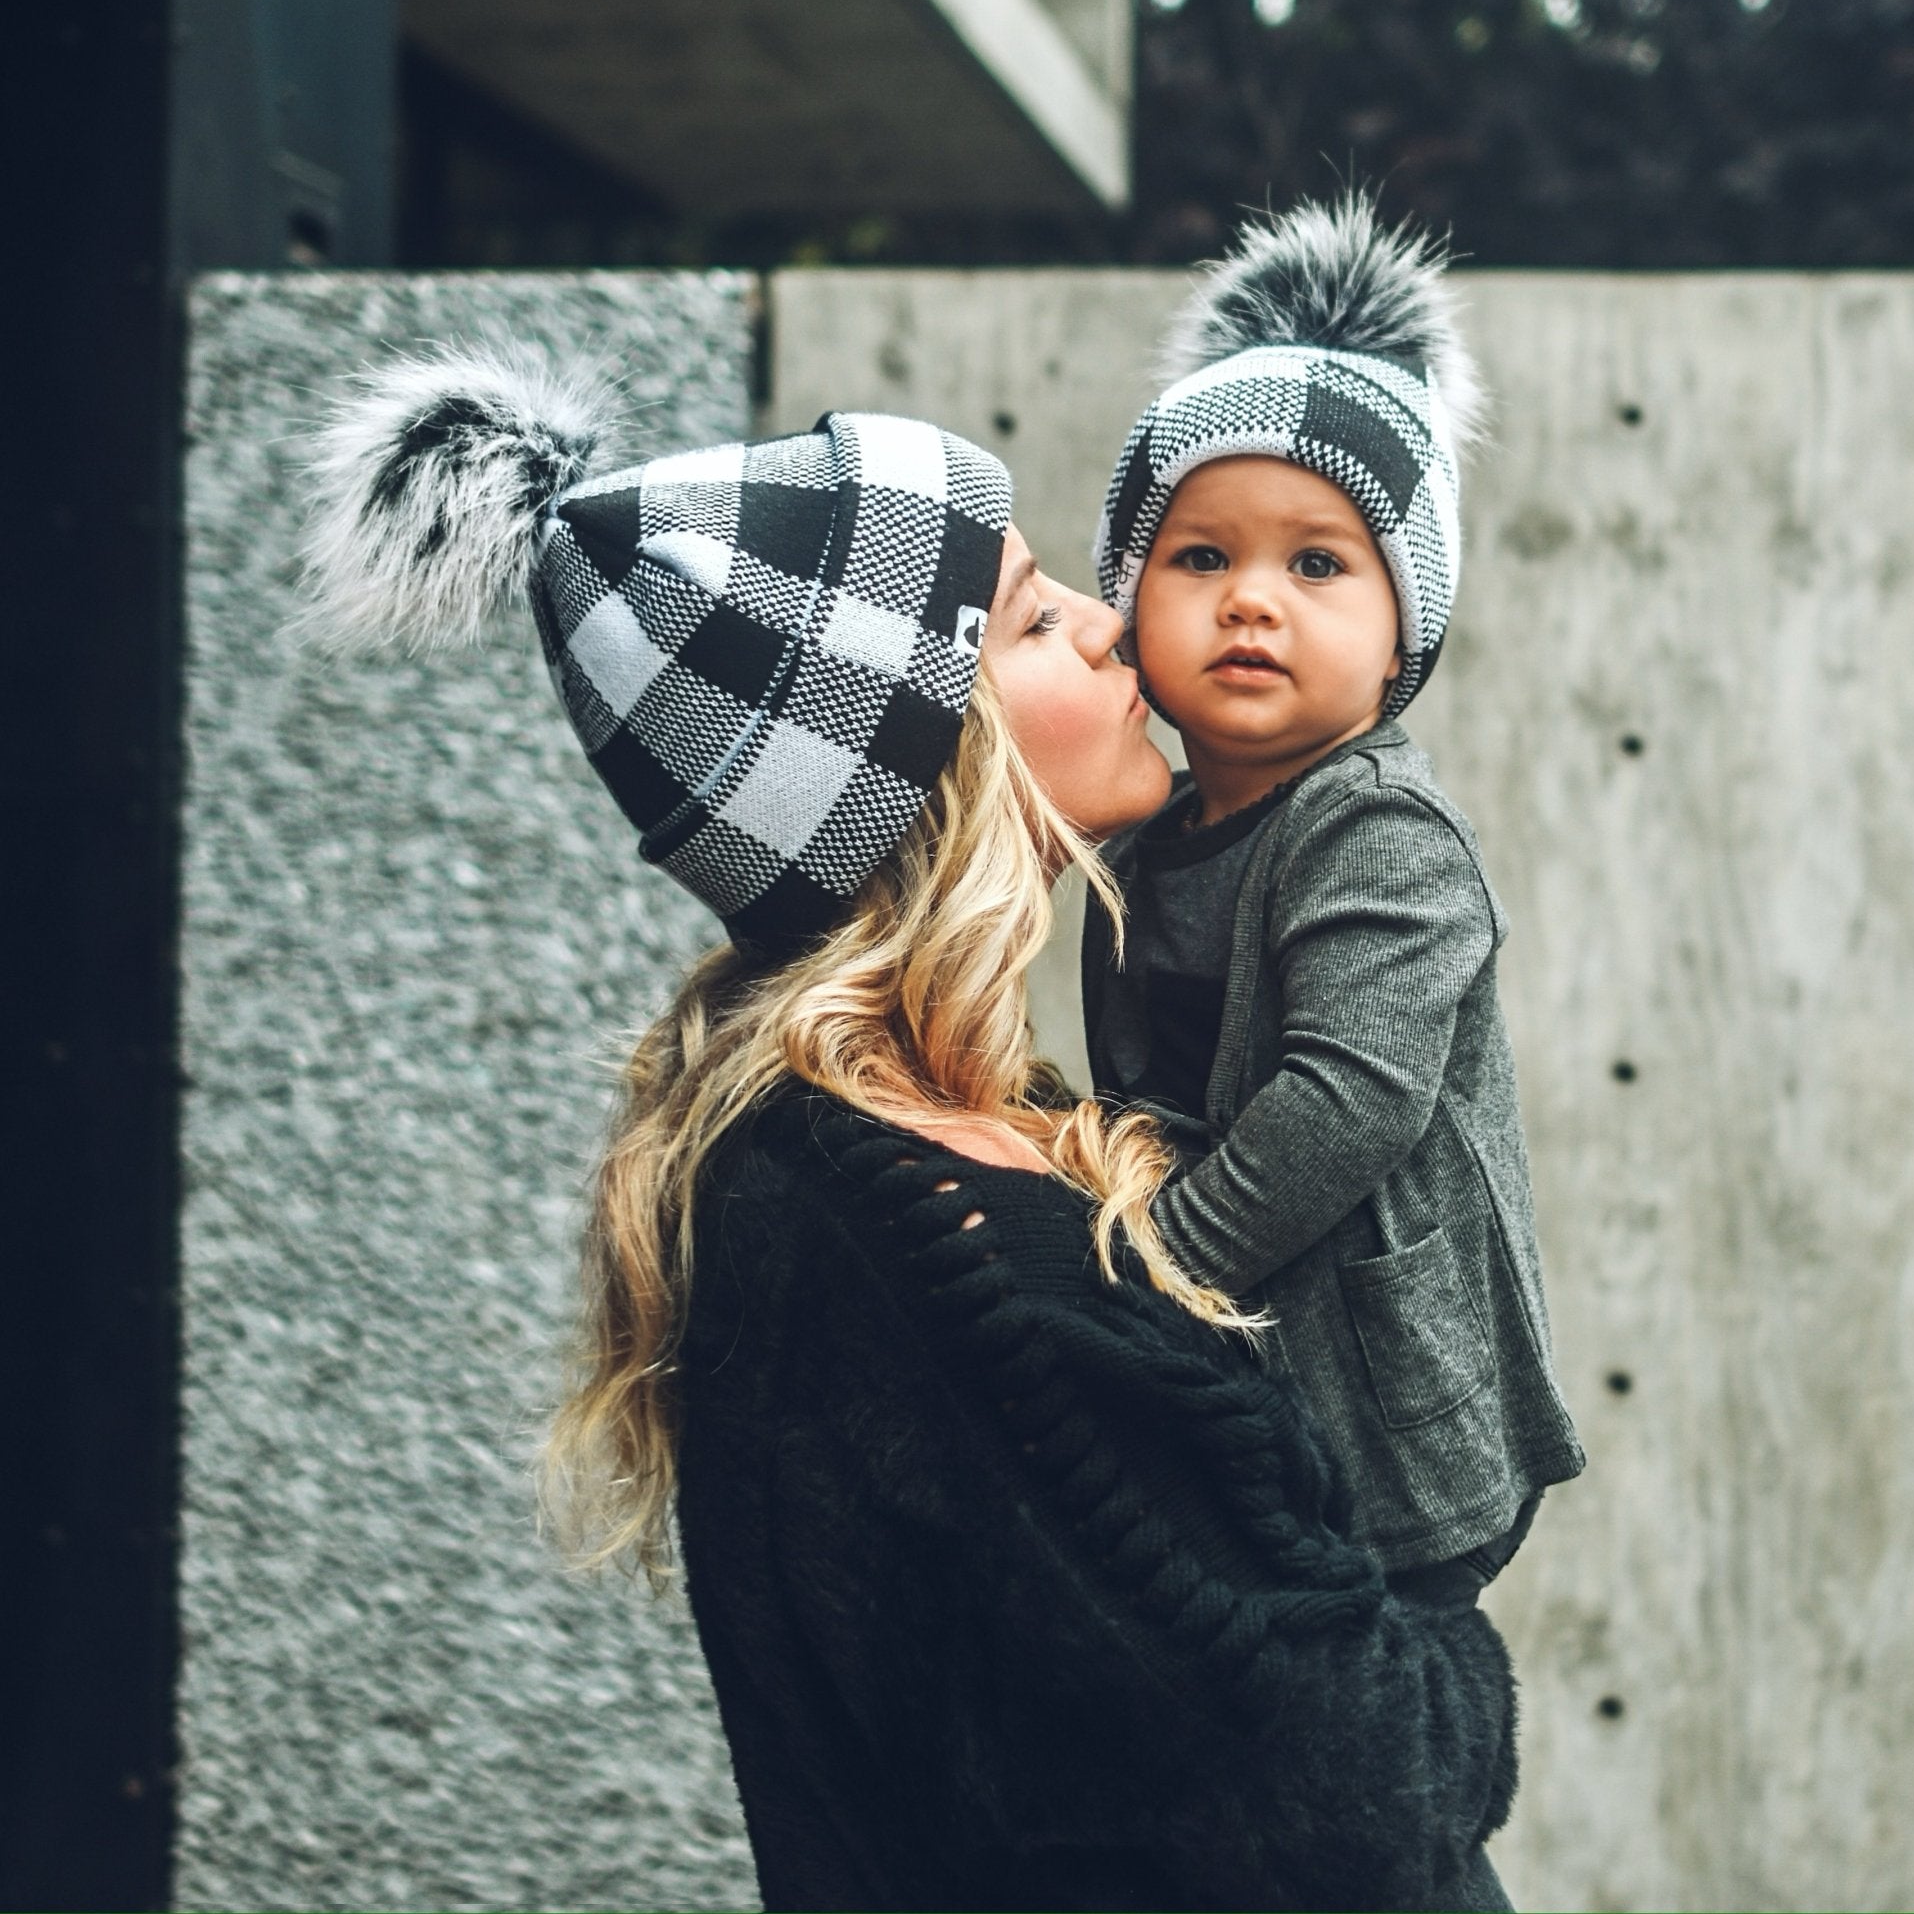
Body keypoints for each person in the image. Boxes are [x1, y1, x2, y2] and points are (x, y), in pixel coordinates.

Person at [301, 348, 1520, 1910]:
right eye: (1027, 617)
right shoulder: (960, 1256)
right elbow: (1370, 1800)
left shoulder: (855, 1153)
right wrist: (1462, 1657)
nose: (1108, 616)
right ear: (913, 763)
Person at [1084, 195, 1586, 1608]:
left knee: (1370, 1711)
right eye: (1202, 558)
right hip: (1251, 1377)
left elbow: (1346, 1102)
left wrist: (1148, 1275)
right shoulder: (1150, 827)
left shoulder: (1379, 828)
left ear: (1400, 635)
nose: (1254, 601)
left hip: (1392, 1420)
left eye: (1317, 564)